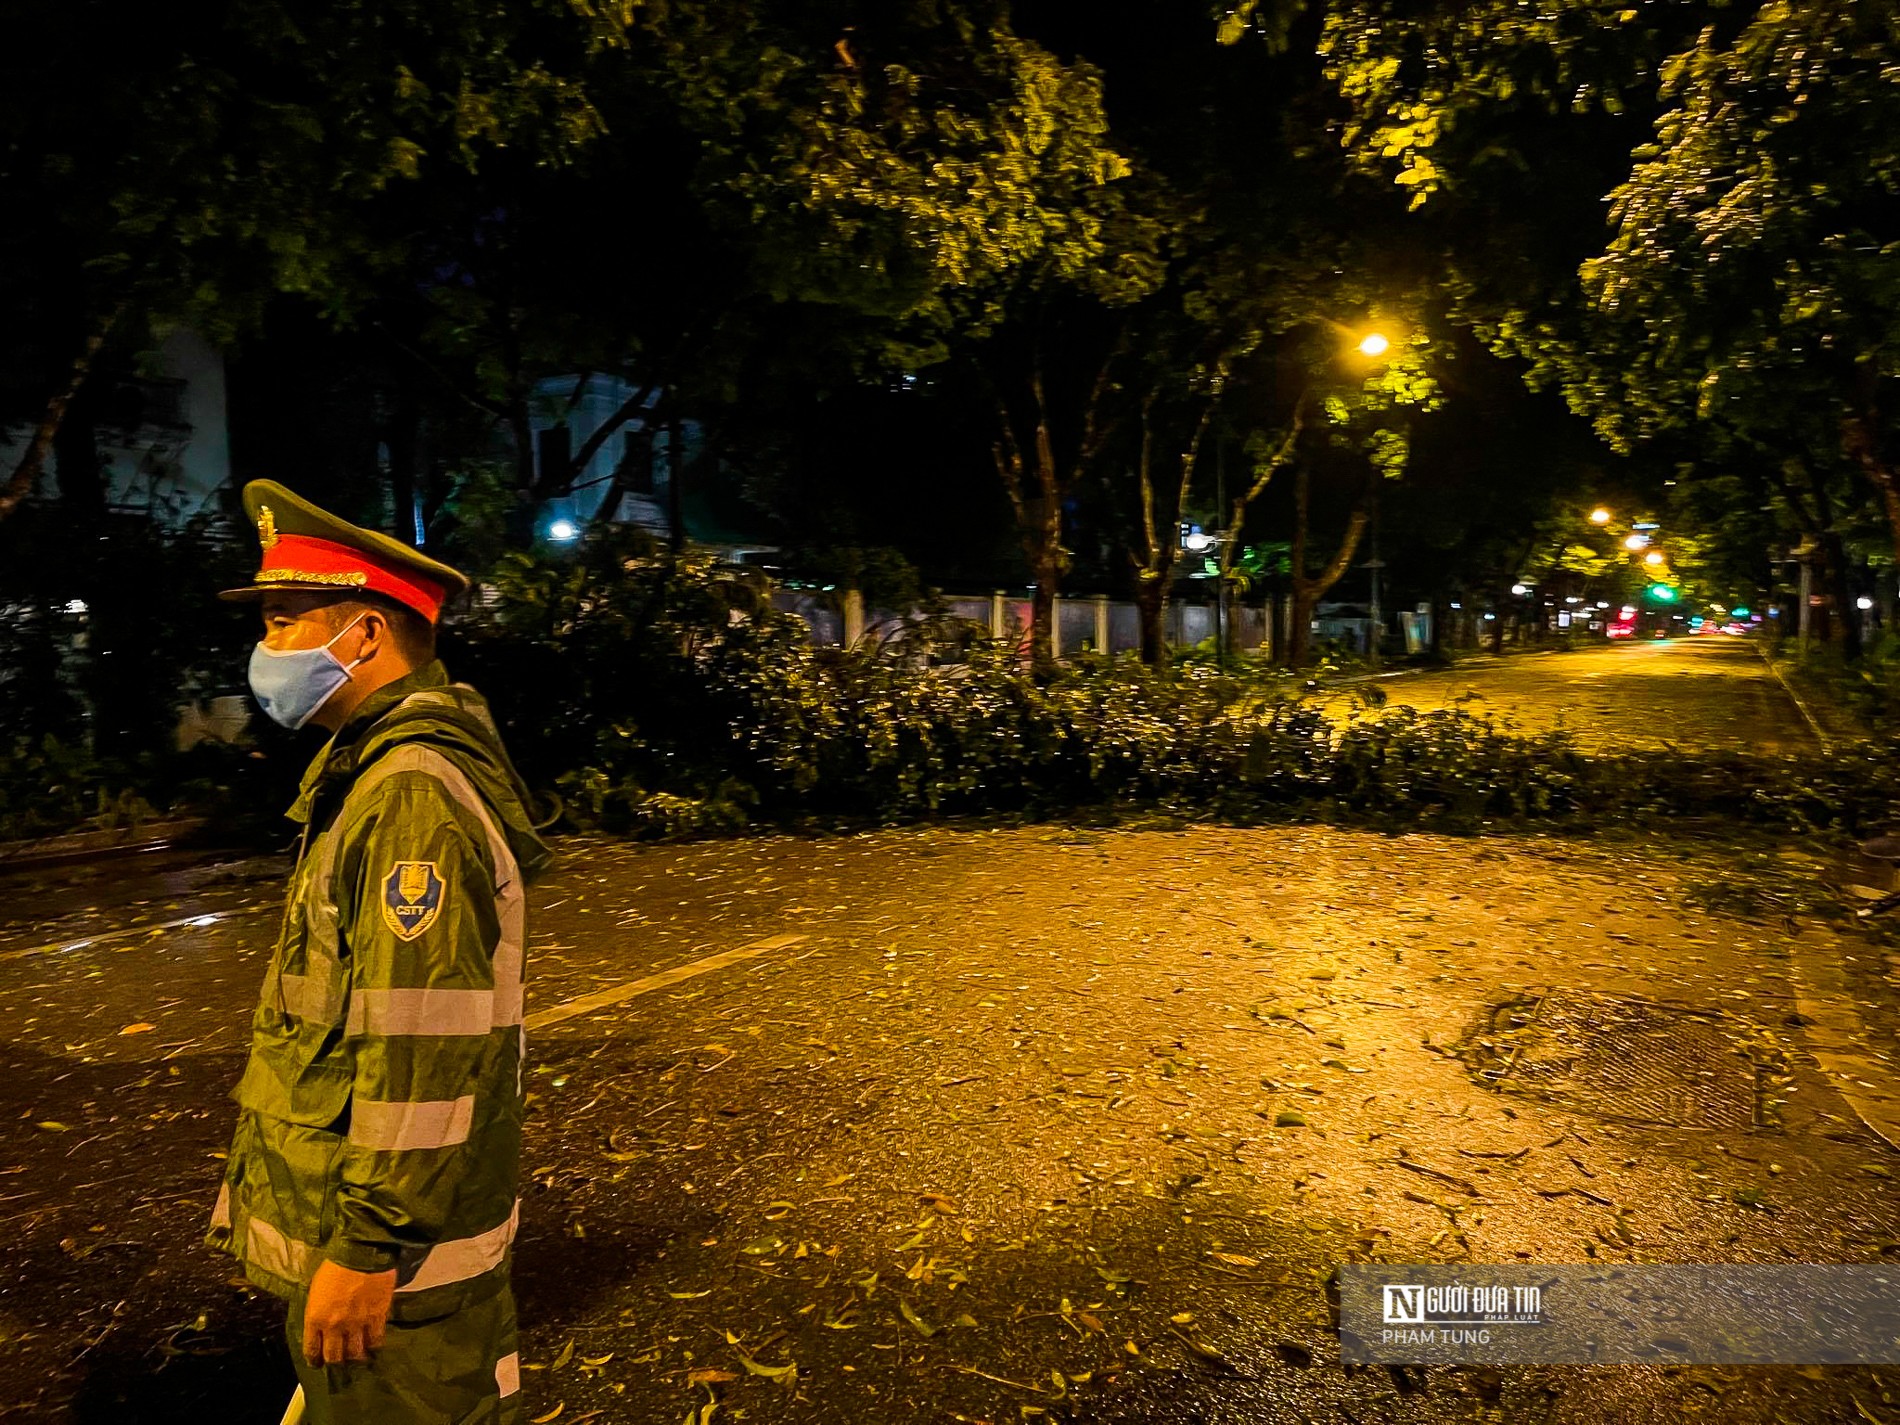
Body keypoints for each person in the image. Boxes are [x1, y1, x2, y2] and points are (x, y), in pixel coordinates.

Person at [205, 480, 551, 1423]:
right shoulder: (372, 769)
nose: (264, 650)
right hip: (381, 1247)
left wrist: (366, 1250)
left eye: (283, 622)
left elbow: (424, 1048)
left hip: (399, 1272)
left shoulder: (409, 794)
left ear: (362, 634)